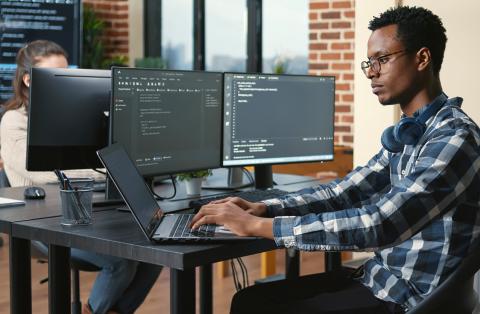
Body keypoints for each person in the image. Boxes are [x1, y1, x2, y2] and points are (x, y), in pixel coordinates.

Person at [191, 6, 480, 314]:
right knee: (249, 299)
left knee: (254, 307)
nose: (372, 72)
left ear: (422, 58)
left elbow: (380, 224)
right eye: (369, 63)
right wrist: (265, 207)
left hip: (408, 298)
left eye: (383, 60)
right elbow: (346, 191)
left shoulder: (454, 139)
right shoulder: (412, 132)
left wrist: (260, 226)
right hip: (380, 279)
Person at [0, 40, 162, 314]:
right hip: (41, 224)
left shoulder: (72, 115)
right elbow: (40, 172)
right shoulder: (14, 121)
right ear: (28, 80)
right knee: (121, 261)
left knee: (153, 254)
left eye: (67, 74)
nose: (63, 82)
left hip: (85, 213)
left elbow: (94, 162)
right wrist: (103, 170)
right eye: (54, 76)